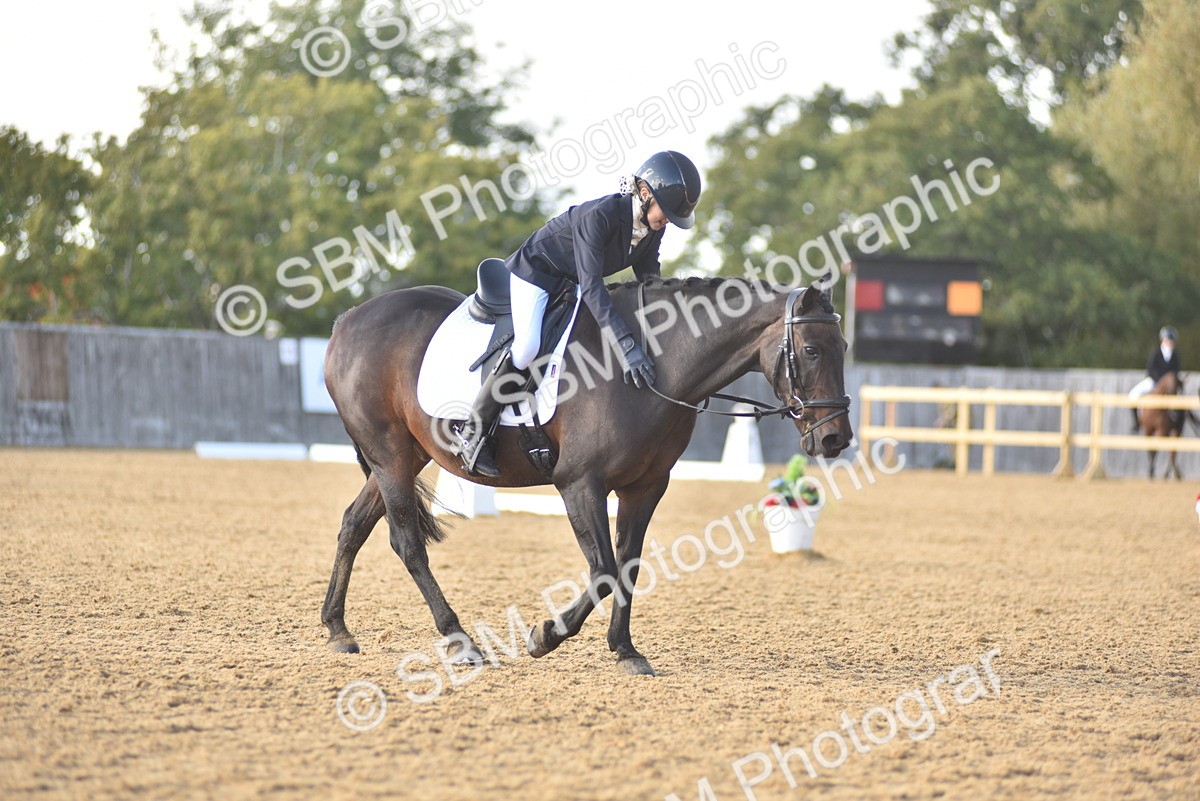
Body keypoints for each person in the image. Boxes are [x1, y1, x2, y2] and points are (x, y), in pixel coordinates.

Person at [457, 150, 702, 477]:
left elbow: (648, 279)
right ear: (645, 194)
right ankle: (474, 431)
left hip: (568, 282)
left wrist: (671, 316)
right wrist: (626, 346)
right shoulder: (599, 216)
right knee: (528, 346)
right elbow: (592, 287)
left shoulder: (653, 226)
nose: (668, 220)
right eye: (667, 212)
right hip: (536, 274)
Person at [1129, 326, 1182, 431]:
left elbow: (1176, 371)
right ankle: (1137, 422)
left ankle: (1177, 424)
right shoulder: (1156, 353)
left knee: (1181, 400)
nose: (1170, 342)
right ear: (1163, 340)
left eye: (1172, 340)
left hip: (1170, 386)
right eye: (1168, 340)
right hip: (1154, 381)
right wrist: (1160, 381)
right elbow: (1150, 369)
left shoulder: (1175, 356)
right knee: (1133, 394)